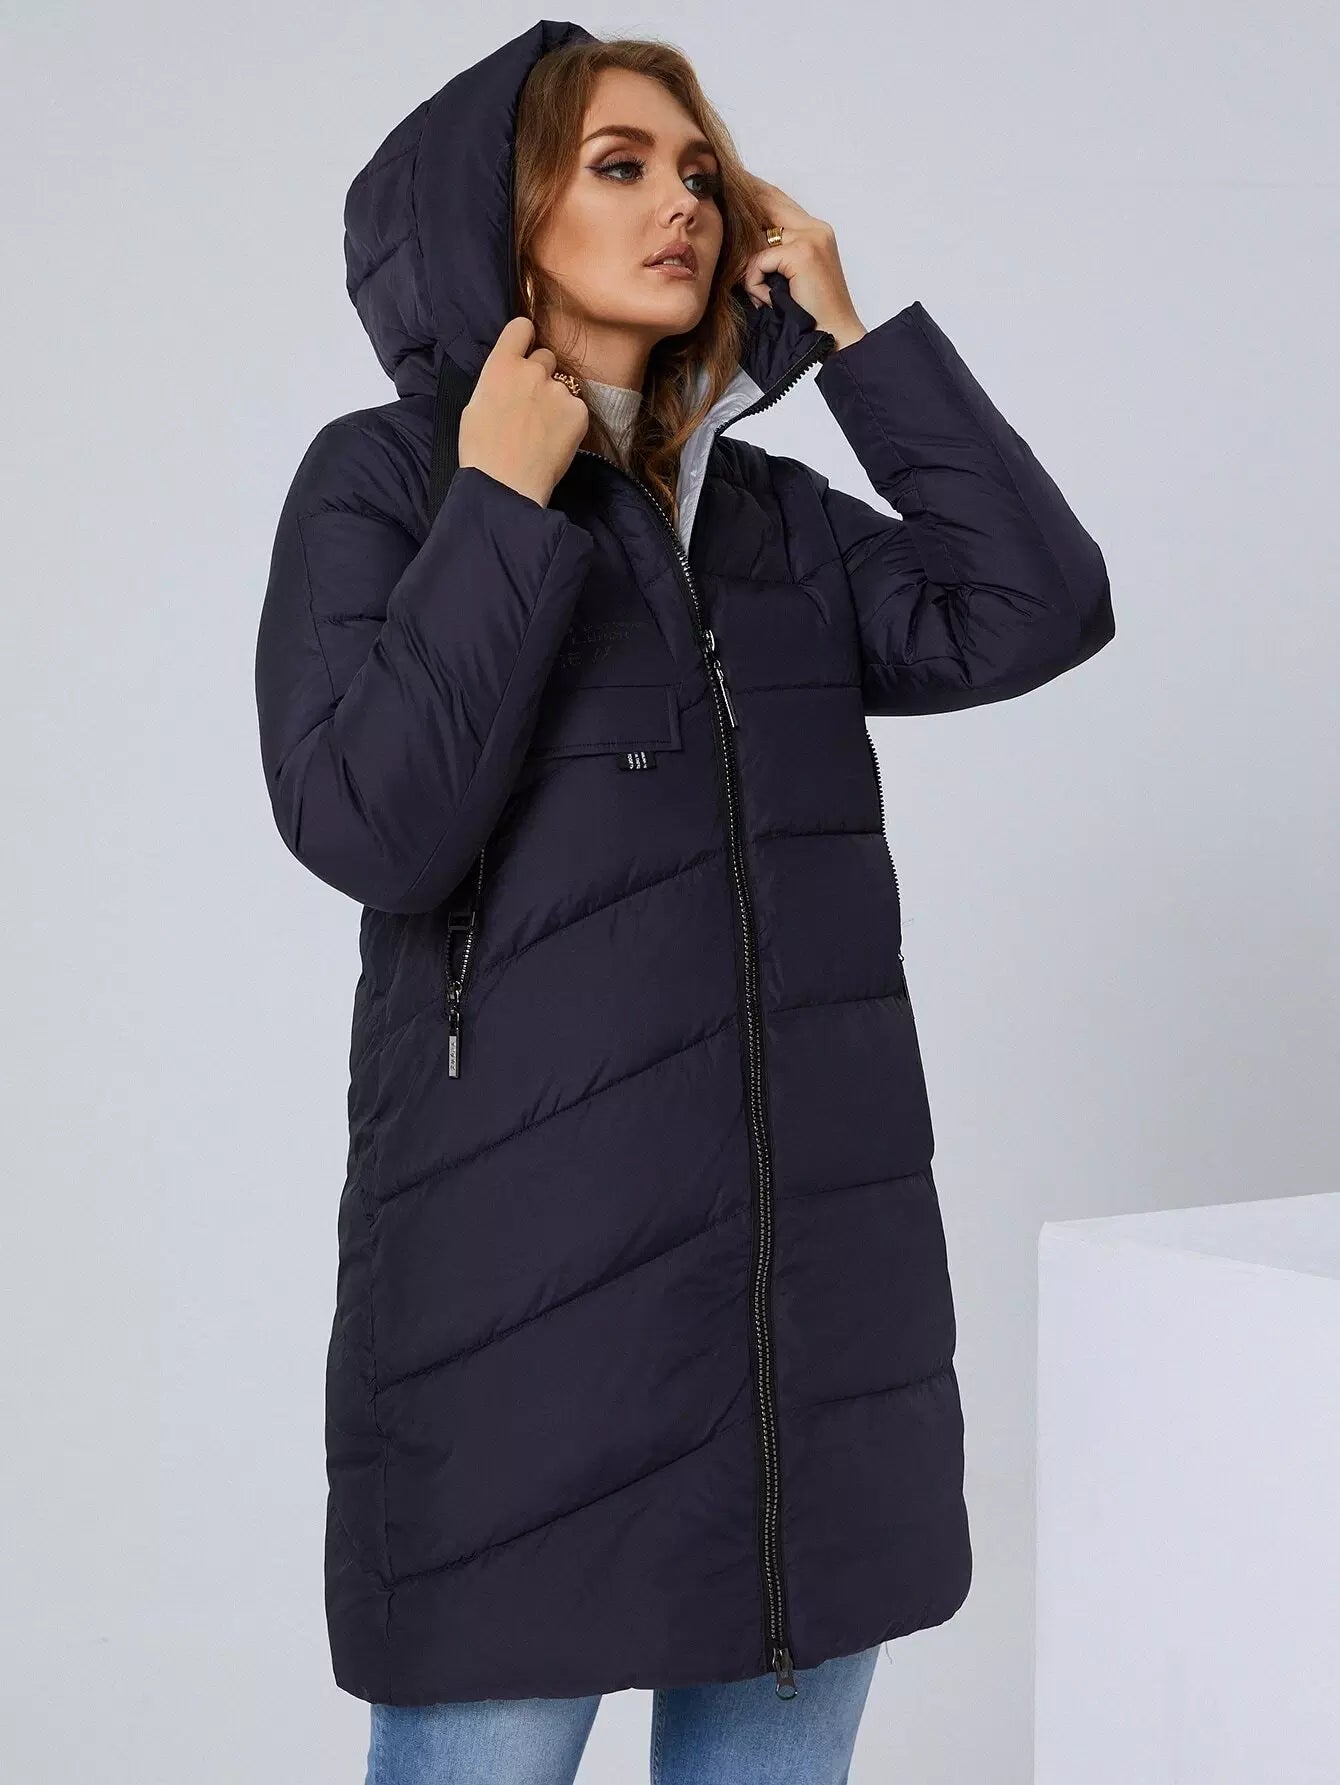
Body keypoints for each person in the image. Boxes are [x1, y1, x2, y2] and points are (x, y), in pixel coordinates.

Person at [253, 19, 1115, 1784]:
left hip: (806, 1354)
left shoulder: (777, 523)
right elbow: (370, 823)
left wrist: (859, 343)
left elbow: (1035, 607)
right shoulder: (386, 486)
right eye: (620, 165)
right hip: (519, 1351)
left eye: (703, 172)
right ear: (501, 215)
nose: (685, 206)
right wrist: (503, 497)